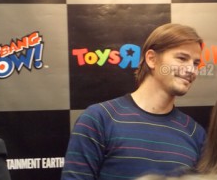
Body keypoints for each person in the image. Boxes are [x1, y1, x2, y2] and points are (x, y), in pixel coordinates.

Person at [61, 23, 206, 180]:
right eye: (182, 58)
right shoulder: (99, 119)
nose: (191, 69)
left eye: (196, 63)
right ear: (151, 59)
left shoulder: (195, 133)